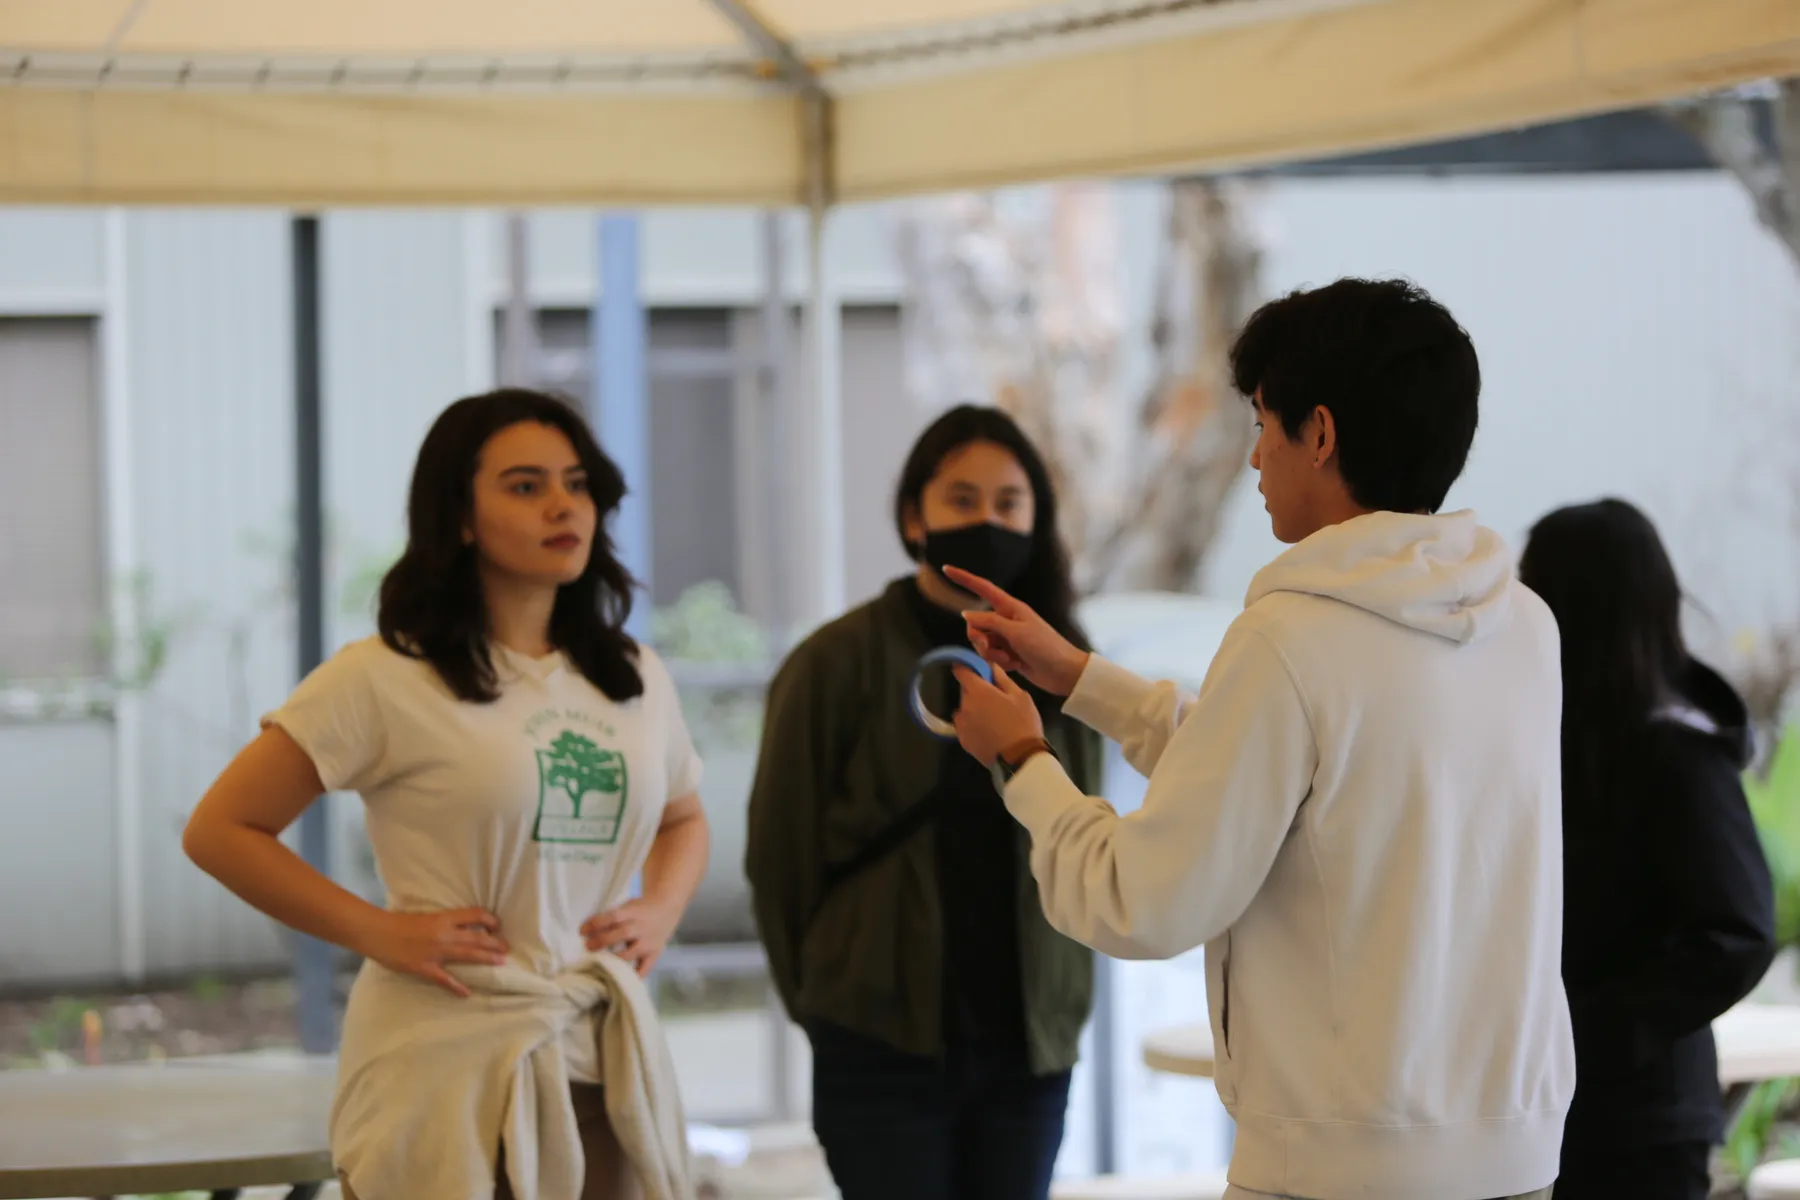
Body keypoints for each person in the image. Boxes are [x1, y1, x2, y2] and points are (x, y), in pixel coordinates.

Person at [947, 278, 1573, 1200]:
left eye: (1262, 424)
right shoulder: (1522, 625)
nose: (1252, 458)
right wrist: (1080, 680)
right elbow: (1307, 787)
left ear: (1319, 434)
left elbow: (1144, 900)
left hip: (1333, 1170)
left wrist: (1021, 762)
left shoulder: (1289, 639)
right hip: (1517, 1156)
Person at [182, 388, 709, 1200]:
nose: (563, 506)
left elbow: (684, 815)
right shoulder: (385, 677)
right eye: (526, 486)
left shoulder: (632, 674)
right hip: (443, 1070)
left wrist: (660, 909)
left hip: (602, 1066)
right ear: (460, 517)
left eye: (576, 483)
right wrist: (380, 932)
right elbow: (221, 829)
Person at [745, 405, 1104, 1200]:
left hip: (1027, 1049)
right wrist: (824, 1005)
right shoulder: (833, 662)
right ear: (915, 516)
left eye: (1010, 503)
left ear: (1037, 518)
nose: (987, 520)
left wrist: (1067, 1001)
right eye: (961, 498)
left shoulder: (1066, 671)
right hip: (876, 1047)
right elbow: (780, 862)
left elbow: (1087, 840)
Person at [1517, 498, 1775, 1200]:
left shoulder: (1678, 753)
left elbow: (1740, 931)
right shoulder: (1555, 738)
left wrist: (1594, 1029)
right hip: (1549, 1111)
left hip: (1641, 1123)